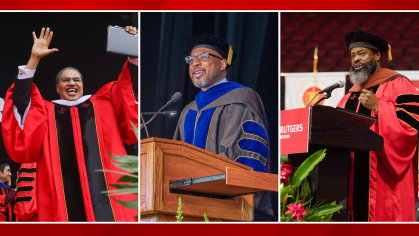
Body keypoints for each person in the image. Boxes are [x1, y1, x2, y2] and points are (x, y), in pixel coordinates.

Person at [1, 26, 138, 222]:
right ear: (57, 87)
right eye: (65, 80)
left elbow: (127, 89)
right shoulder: (45, 112)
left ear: (83, 84)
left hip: (110, 200)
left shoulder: (103, 103)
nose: (72, 83)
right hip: (60, 202)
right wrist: (34, 60)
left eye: (77, 79)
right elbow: (21, 101)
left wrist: (132, 50)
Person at [174, 34, 273, 221]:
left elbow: (249, 155)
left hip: (231, 208)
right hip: (189, 209)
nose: (195, 63)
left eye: (203, 56)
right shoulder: (188, 111)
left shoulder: (241, 99)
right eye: (191, 59)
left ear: (222, 64)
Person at [337, 30, 418, 222]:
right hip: (352, 179)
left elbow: (411, 127)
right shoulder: (349, 95)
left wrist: (379, 107)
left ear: (378, 55)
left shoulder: (398, 83)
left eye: (362, 53)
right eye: (352, 55)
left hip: (385, 179)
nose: (356, 59)